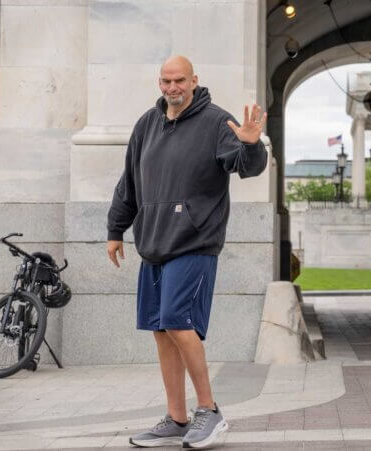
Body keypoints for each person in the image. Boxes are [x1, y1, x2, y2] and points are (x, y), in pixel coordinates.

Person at [106, 55, 267, 449]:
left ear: (194, 80)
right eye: (165, 80)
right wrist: (116, 229)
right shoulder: (147, 124)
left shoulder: (216, 122)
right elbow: (129, 180)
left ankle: (209, 411)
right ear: (158, 82)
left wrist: (251, 144)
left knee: (179, 323)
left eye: (179, 80)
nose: (172, 87)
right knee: (162, 331)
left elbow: (248, 166)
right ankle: (177, 418)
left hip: (194, 243)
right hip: (153, 244)